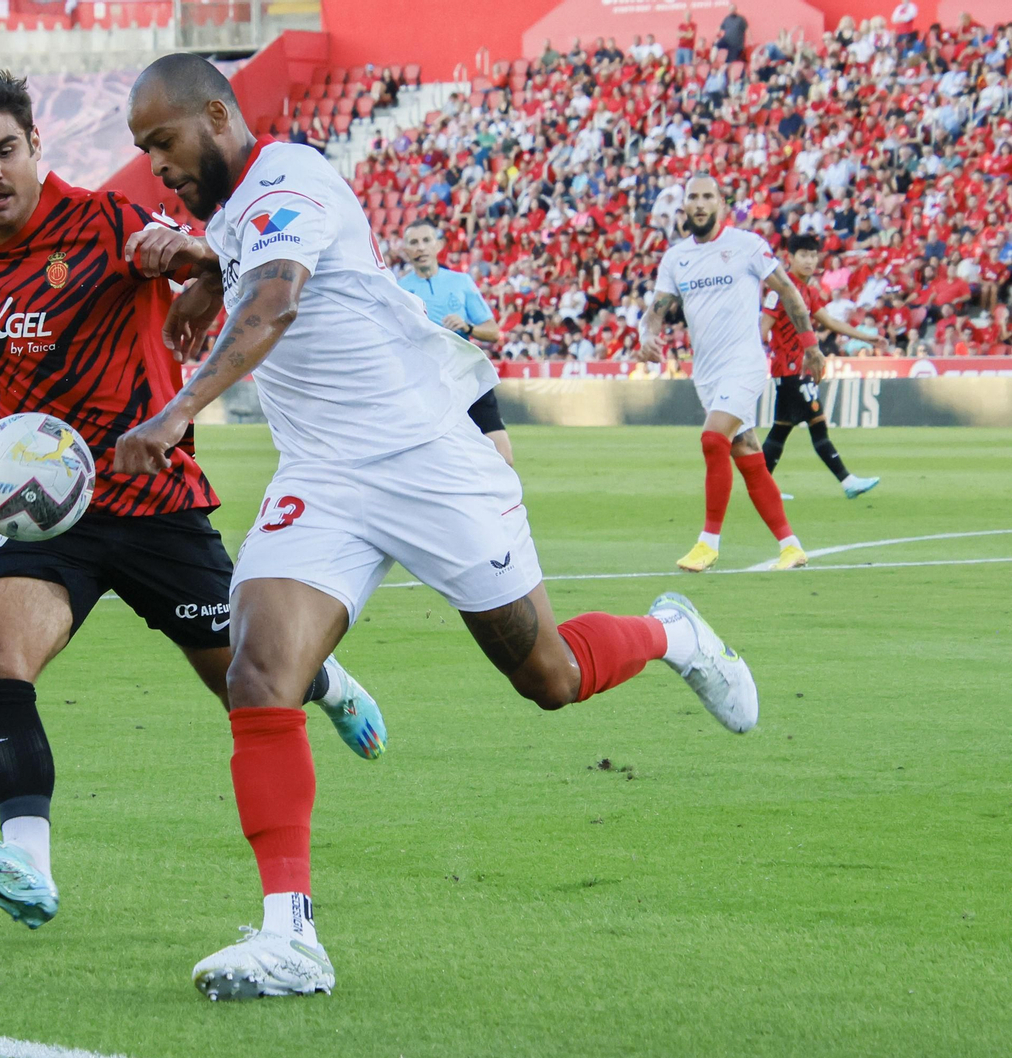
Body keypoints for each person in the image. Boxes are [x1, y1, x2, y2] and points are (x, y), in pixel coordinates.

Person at [119, 53, 760, 1002]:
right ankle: (289, 936)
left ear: (217, 115)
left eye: (162, 142)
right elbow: (251, 263)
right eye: (140, 151)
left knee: (548, 675)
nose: (154, 165)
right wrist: (203, 260)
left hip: (428, 461)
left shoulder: (292, 174)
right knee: (258, 671)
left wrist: (181, 408)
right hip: (325, 477)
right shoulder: (236, 210)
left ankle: (676, 633)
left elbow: (279, 299)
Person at [0, 70, 385, 931]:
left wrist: (195, 268)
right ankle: (27, 860)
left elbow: (205, 252)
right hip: (46, 511)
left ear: (35, 146)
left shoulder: (104, 220)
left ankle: (326, 682)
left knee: (251, 682)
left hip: (152, 501)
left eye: (5, 151)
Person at [639, 175, 811, 573]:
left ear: (720, 203)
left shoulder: (745, 245)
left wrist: (811, 345)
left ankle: (707, 543)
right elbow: (657, 309)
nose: (699, 204)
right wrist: (648, 336)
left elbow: (787, 290)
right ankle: (791, 546)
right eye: (693, 198)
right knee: (747, 451)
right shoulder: (676, 257)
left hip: (746, 363)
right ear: (684, 206)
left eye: (707, 197)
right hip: (709, 373)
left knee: (713, 439)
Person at [759, 235, 883, 498]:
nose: (809, 260)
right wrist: (772, 353)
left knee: (780, 429)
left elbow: (829, 321)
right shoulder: (779, 290)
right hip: (790, 369)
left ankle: (762, 488)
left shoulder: (809, 291)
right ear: (789, 258)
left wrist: (865, 336)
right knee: (817, 422)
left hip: (795, 370)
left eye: (813, 255)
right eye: (802, 254)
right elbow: (763, 329)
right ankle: (847, 481)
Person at [397, 218, 513, 464]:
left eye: (426, 240)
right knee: (438, 461)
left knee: (503, 457)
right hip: (429, 381)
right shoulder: (399, 290)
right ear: (405, 250)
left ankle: (500, 503)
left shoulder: (461, 282)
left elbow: (493, 332)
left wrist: (467, 326)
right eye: (413, 242)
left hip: (467, 373)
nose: (420, 248)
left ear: (438, 245)